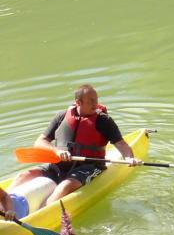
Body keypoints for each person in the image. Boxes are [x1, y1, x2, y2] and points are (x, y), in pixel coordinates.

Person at [11, 85, 141, 205]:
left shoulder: (103, 120)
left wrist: (129, 158)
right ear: (78, 102)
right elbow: (40, 142)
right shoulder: (61, 116)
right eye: (91, 101)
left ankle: (42, 213)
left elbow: (121, 144)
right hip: (58, 164)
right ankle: (4, 201)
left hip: (89, 166)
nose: (95, 104)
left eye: (96, 100)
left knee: (64, 187)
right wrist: (56, 151)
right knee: (23, 176)